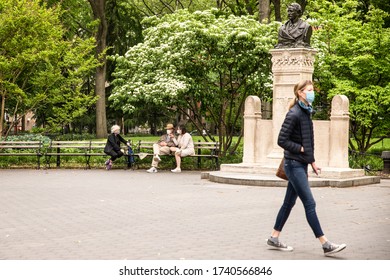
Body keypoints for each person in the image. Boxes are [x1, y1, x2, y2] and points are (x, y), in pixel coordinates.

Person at [266, 80, 346, 256]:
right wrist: (300, 149)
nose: (312, 93)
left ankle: (274, 237)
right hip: (293, 165)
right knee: (310, 203)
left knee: (288, 203)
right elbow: (282, 140)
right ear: (300, 93)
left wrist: (312, 162)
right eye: (309, 90)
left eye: (312, 90)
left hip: (300, 164)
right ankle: (325, 244)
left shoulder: (306, 112)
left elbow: (308, 141)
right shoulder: (294, 114)